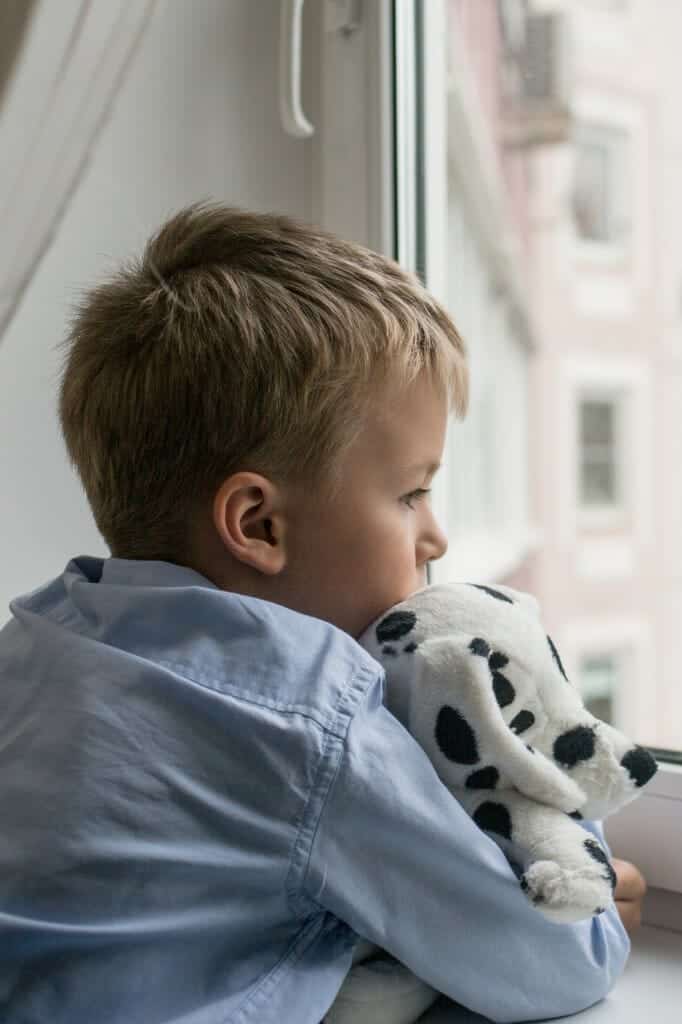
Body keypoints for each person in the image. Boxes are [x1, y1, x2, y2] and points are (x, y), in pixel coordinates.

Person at [0, 201, 646, 1024]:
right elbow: (557, 962)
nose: (436, 537)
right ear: (259, 526)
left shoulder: (39, 639)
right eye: (410, 494)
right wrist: (586, 876)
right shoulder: (310, 722)